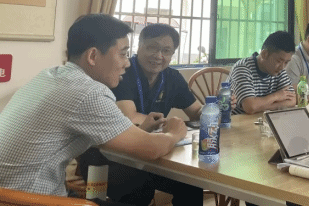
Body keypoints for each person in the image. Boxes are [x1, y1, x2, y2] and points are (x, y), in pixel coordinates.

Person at [0, 14, 187, 205]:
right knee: (139, 186)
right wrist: (175, 133)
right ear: (93, 56)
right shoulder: (88, 92)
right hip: (31, 200)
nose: (127, 63)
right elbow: (151, 149)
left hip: (10, 195)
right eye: (122, 54)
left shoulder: (50, 75)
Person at [79, 23, 205, 205]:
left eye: (166, 51)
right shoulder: (121, 72)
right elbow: (129, 117)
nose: (159, 56)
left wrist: (212, 109)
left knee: (191, 184)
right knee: (137, 187)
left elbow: (196, 111)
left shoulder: (172, 77)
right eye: (152, 48)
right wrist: (171, 128)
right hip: (108, 158)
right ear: (139, 46)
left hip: (151, 155)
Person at [229, 31, 296, 114]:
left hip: (262, 118)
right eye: (279, 61)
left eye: (286, 62)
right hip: (239, 120)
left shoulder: (279, 71)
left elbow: (292, 101)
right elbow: (250, 107)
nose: (282, 67)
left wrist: (262, 106)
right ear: (264, 54)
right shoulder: (243, 68)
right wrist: (276, 96)